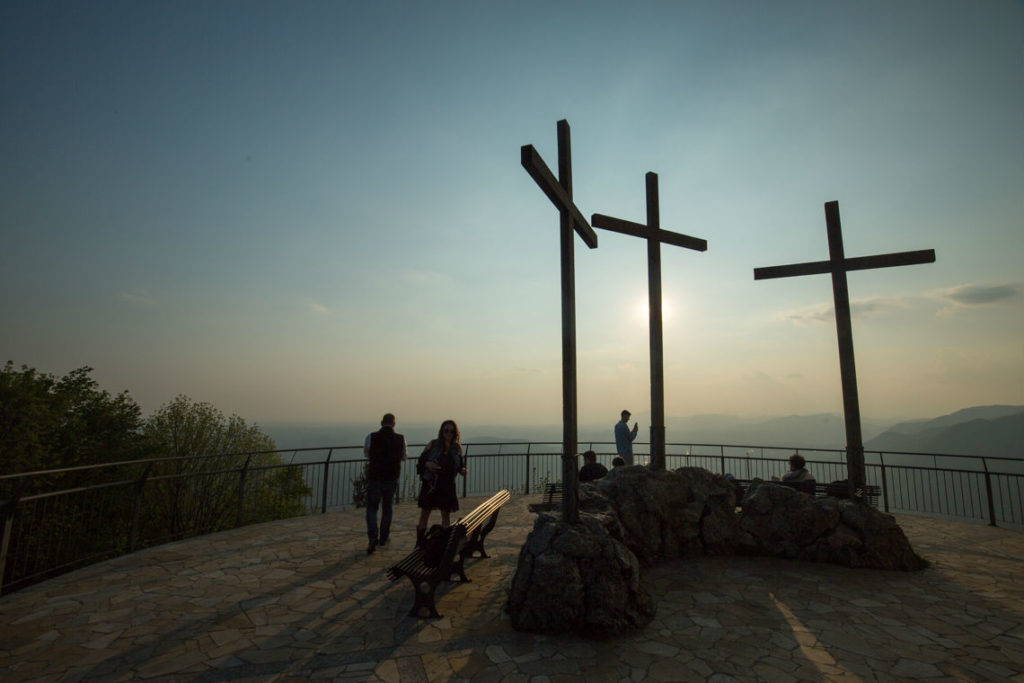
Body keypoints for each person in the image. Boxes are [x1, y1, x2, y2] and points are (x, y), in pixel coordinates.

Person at [415, 419, 467, 547]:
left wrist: (462, 470)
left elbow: (460, 464)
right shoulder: (433, 444)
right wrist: (428, 464)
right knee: (425, 514)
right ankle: (420, 542)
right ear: (441, 431)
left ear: (455, 433)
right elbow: (421, 461)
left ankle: (443, 545)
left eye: (451, 431)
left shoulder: (457, 448)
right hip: (432, 485)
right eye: (446, 430)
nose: (448, 433)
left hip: (447, 486)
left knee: (446, 516)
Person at [363, 413, 407, 555]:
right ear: (394, 424)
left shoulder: (371, 436)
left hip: (375, 477)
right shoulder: (400, 438)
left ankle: (372, 536)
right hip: (391, 477)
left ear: (381, 422)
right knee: (387, 507)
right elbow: (404, 456)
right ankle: (384, 537)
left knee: (371, 508)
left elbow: (366, 453)